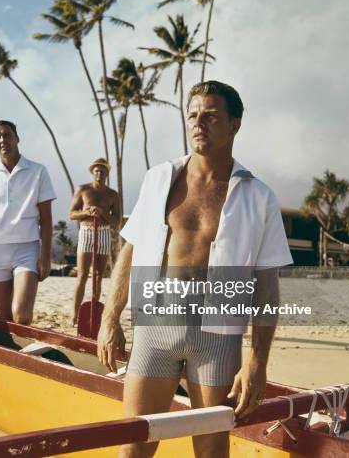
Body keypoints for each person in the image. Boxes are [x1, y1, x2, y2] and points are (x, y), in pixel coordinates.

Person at [96, 81, 293, 458]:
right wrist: (110, 316)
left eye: (211, 116)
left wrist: (258, 360)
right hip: (155, 330)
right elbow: (131, 250)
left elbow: (266, 284)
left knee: (211, 451)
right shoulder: (159, 179)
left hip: (217, 339)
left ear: (234, 125)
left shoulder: (259, 196)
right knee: (133, 446)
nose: (198, 123)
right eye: (193, 115)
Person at [0, 120, 55, 324]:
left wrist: (45, 256)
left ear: (17, 138)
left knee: (21, 316)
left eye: (7, 135)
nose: (3, 140)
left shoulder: (38, 171)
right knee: (3, 319)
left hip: (27, 250)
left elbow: (46, 219)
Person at [68, 158, 120, 324]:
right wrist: (87, 212)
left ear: (107, 173)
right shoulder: (83, 189)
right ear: (92, 172)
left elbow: (116, 220)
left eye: (103, 171)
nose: (99, 173)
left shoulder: (112, 194)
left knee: (98, 275)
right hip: (86, 231)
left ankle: (94, 313)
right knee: (82, 275)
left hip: (104, 232)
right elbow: (72, 214)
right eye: (96, 170)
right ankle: (74, 315)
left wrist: (102, 213)